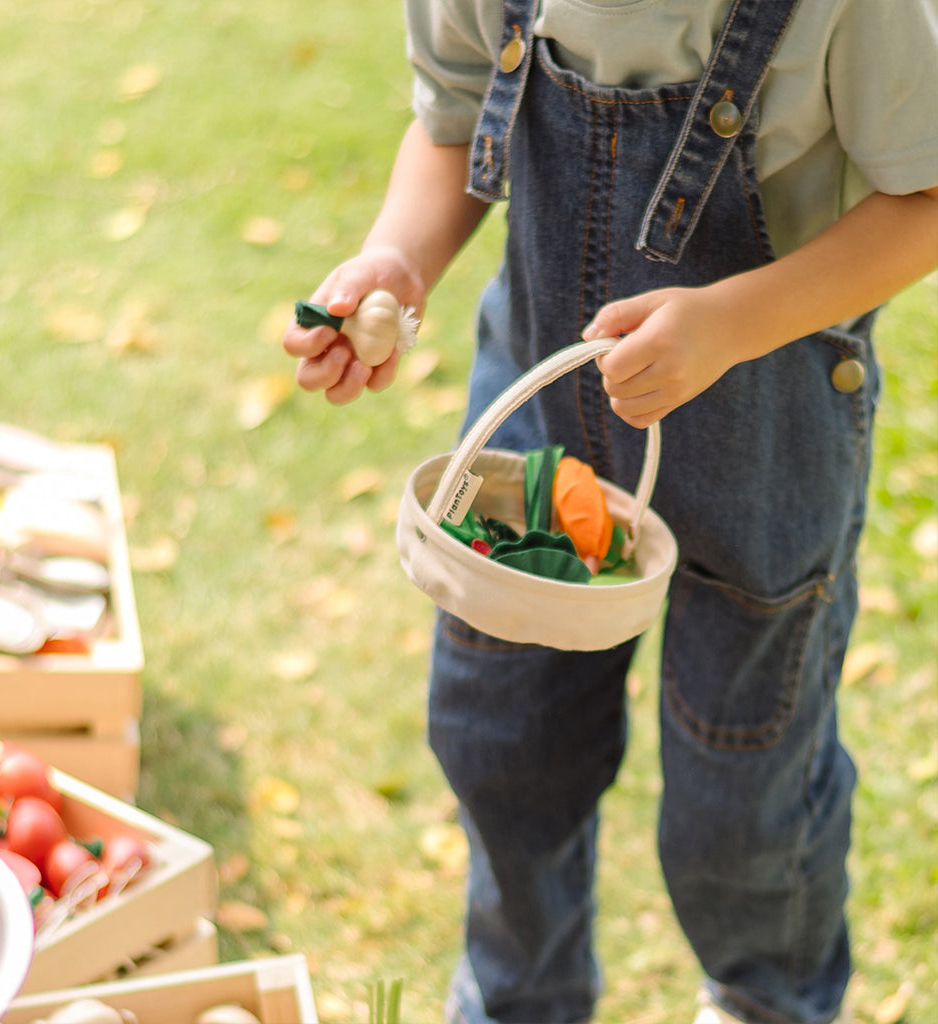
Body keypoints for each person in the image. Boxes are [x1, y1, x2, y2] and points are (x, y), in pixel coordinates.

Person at [282, 1, 938, 1021]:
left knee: (742, 802)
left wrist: (728, 323)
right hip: (544, 386)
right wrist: (397, 266)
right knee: (503, 733)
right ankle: (518, 993)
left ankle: (768, 1001)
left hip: (763, 423)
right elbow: (455, 115)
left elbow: (925, 197)